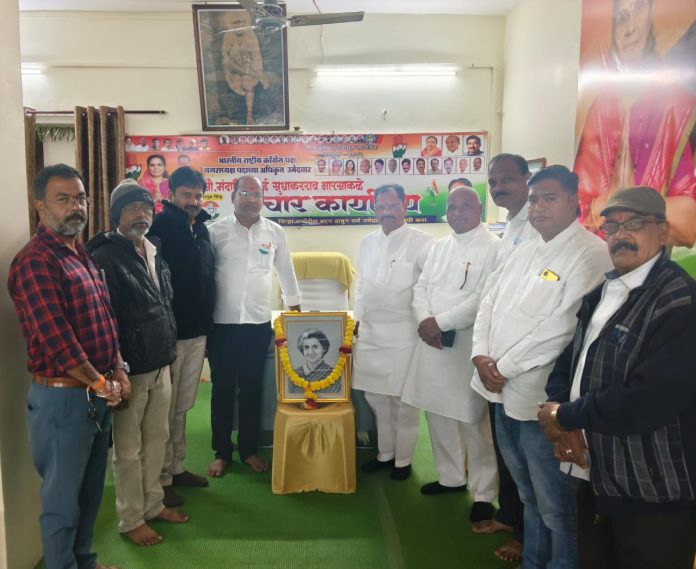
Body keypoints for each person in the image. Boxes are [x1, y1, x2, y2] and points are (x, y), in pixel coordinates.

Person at [539, 187, 696, 569]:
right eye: (611, 226)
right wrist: (563, 414)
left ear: (662, 231)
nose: (620, 234)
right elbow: (570, 361)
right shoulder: (605, 289)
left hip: (653, 488)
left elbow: (649, 398)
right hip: (597, 472)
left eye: (635, 224)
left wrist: (566, 416)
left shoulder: (678, 299)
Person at [471, 165, 612, 569]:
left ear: (573, 201)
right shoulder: (525, 248)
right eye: (534, 200)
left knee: (556, 505)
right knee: (528, 496)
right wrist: (480, 355)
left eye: (549, 198)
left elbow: (563, 327)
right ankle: (534, 560)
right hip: (500, 393)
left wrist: (504, 366)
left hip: (542, 402)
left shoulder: (590, 253)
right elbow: (488, 303)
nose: (538, 207)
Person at [8, 164, 129, 569]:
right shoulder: (35, 261)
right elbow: (57, 340)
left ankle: (85, 563)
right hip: (62, 401)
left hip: (95, 394)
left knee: (90, 494)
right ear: (40, 207)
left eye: (80, 198)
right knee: (62, 504)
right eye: (63, 199)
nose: (75, 206)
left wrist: (118, 369)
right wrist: (102, 383)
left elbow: (106, 321)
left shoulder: (81, 254)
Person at [87, 180, 187, 546]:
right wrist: (117, 370)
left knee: (157, 439)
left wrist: (169, 356)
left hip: (159, 361)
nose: (141, 215)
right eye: (132, 208)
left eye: (146, 208)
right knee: (128, 449)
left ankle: (153, 505)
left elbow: (164, 306)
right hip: (128, 369)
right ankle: (131, 519)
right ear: (117, 214)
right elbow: (104, 319)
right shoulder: (104, 257)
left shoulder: (153, 249)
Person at [401, 187, 500, 528]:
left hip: (467, 347)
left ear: (479, 208)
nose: (457, 212)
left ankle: (483, 494)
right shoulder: (440, 246)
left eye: (465, 205)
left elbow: (481, 299)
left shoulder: (494, 247)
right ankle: (451, 477)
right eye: (452, 206)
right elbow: (420, 288)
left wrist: (438, 323)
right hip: (432, 343)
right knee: (438, 413)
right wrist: (424, 320)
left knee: (472, 420)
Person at [574, 0, 696, 247]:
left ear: (651, 18)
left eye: (639, 10)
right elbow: (580, 208)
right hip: (600, 253)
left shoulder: (680, 106)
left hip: (654, 257)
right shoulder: (599, 110)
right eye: (621, 19)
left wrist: (621, 206)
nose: (630, 28)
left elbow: (688, 221)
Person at [207, 175, 301, 476]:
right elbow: (203, 275)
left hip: (258, 324)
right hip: (222, 324)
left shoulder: (275, 232)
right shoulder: (214, 231)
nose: (251, 199)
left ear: (263, 199)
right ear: (233, 197)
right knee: (222, 389)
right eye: (245, 193)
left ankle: (248, 449)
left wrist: (296, 310)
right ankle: (222, 451)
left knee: (251, 389)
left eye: (256, 194)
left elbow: (286, 271)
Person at [353, 184, 434, 481]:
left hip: (405, 334)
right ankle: (385, 454)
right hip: (371, 332)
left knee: (403, 402)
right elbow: (361, 283)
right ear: (374, 209)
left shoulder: (424, 242)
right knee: (376, 398)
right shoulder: (367, 242)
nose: (386, 212)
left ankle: (403, 460)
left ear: (404, 206)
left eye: (392, 206)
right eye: (381, 206)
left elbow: (429, 288)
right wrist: (356, 318)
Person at [149, 167, 216, 508]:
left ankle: (176, 468)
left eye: (197, 195)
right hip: (171, 334)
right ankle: (160, 479)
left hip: (198, 331)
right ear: (171, 194)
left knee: (183, 405)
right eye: (186, 195)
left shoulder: (201, 228)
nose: (193, 201)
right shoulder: (158, 228)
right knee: (165, 408)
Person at [221, 11, 269, 126]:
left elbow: (256, 55)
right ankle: (255, 75)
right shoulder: (228, 35)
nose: (238, 25)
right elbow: (225, 53)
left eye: (240, 22)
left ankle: (249, 116)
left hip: (249, 66)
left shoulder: (251, 35)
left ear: (245, 23)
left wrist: (257, 69)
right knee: (226, 61)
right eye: (235, 23)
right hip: (233, 68)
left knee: (248, 84)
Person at [288, 329, 340, 394]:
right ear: (302, 350)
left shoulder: (334, 376)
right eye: (306, 347)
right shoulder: (294, 376)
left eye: (315, 347)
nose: (310, 352)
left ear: (324, 349)